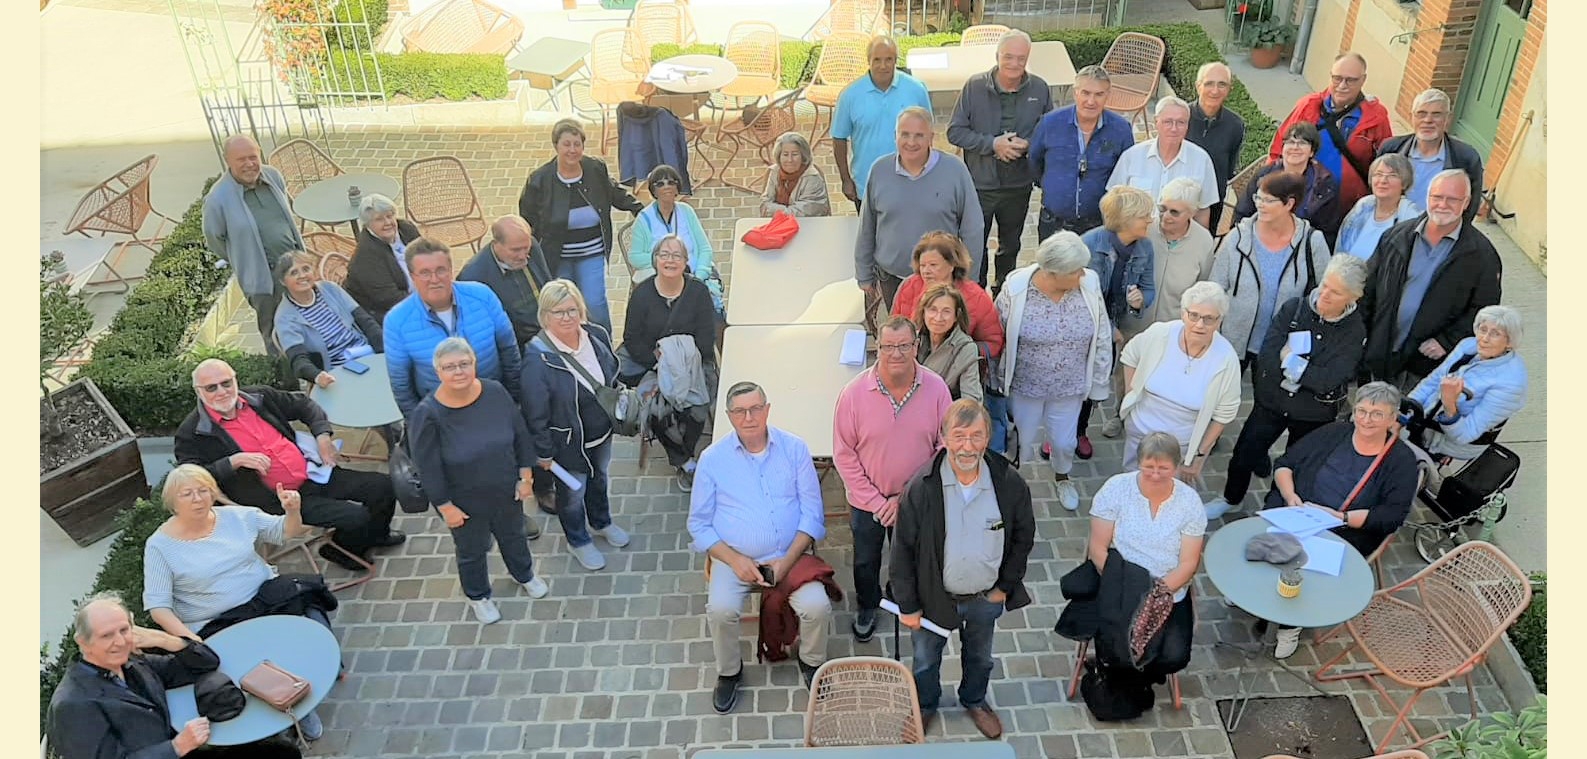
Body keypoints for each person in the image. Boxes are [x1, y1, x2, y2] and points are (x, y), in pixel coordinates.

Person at [141, 465, 328, 741]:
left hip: (261, 599)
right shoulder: (159, 546)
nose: (197, 499)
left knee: (305, 602)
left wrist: (292, 511)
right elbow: (158, 607)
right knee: (243, 660)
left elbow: (284, 532)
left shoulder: (237, 517)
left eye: (203, 490)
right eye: (187, 494)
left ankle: (298, 697)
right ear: (172, 503)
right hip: (214, 620)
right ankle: (279, 714)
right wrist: (190, 641)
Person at [175, 358, 402, 572]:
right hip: (279, 500)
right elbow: (189, 478)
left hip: (313, 473)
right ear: (198, 391)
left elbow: (304, 404)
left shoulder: (259, 397)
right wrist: (232, 462)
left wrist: (322, 436)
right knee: (356, 517)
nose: (222, 391)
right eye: (211, 388)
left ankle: (375, 535)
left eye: (226, 383)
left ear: (235, 380)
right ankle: (340, 550)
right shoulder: (192, 432)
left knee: (384, 486)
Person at [892, 399, 1035, 740]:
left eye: (976, 436)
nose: (967, 447)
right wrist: (908, 605)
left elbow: (1023, 537)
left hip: (986, 596)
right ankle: (925, 705)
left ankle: (974, 700)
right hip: (933, 598)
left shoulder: (1008, 483)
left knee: (981, 657)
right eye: (959, 436)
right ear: (944, 438)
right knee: (925, 659)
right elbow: (902, 550)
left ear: (988, 438)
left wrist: (1004, 587)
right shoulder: (921, 488)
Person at [690, 382, 832, 712]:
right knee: (721, 610)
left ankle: (812, 661)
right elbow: (699, 524)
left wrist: (787, 561)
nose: (749, 417)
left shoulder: (794, 449)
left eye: (755, 409)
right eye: (740, 411)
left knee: (818, 607)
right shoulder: (712, 459)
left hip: (790, 554)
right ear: (729, 416)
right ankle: (729, 671)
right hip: (733, 558)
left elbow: (812, 514)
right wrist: (734, 560)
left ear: (767, 410)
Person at [1206, 255, 1370, 519]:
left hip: (1312, 414)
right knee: (1245, 453)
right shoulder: (1295, 308)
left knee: (1295, 466)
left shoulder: (1354, 331)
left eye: (1336, 292)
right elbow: (1269, 355)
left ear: (1353, 298)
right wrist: (1305, 371)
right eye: (1325, 285)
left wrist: (1293, 363)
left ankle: (1275, 510)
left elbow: (1330, 379)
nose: (1325, 294)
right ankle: (1231, 498)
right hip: (1272, 402)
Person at [1263, 381, 1419, 658]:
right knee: (1268, 537)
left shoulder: (1401, 460)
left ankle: (1290, 623)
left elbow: (1392, 516)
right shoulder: (1334, 432)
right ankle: (1256, 591)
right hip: (1299, 511)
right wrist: (1290, 497)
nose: (1366, 420)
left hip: (1346, 528)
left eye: (1377, 414)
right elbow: (1285, 463)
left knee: (1310, 563)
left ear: (1392, 419)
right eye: (1361, 411)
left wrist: (1341, 517)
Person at [46, 592, 303, 759]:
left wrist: (165, 639)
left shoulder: (131, 663)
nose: (120, 642)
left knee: (281, 752)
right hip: (171, 751)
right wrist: (177, 747)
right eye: (107, 635)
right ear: (83, 642)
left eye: (124, 630)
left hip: (179, 749)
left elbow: (206, 664)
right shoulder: (73, 704)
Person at [410, 338, 550, 624]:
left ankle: (524, 574)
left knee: (514, 536)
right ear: (438, 372)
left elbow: (520, 433)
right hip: (463, 501)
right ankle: (478, 596)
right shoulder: (428, 414)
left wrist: (525, 476)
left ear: (474, 363)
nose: (458, 371)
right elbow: (427, 467)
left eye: (464, 363)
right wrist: (445, 506)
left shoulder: (495, 391)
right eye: (450, 367)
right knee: (471, 551)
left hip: (505, 488)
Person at [833, 316, 952, 644]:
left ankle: (901, 596)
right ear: (878, 348)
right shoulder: (853, 394)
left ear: (916, 346)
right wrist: (877, 502)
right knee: (865, 559)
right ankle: (868, 605)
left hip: (917, 500)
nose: (896, 353)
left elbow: (944, 448)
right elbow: (844, 454)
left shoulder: (937, 389)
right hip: (867, 503)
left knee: (912, 555)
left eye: (903, 346)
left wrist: (904, 499)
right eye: (888, 346)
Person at [995, 232, 1112, 511]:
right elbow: (997, 333)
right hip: (1026, 386)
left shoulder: (1089, 283)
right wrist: (997, 382)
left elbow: (1102, 334)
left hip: (1069, 385)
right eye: (1075, 270)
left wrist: (1099, 382)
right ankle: (1011, 486)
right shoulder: (1016, 288)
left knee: (1063, 442)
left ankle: (1062, 476)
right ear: (1053, 272)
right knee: (1021, 443)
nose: (1082, 274)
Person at [522, 279, 631, 571]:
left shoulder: (596, 334)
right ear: (545, 315)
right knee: (572, 495)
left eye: (571, 309)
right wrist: (544, 452)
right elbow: (535, 413)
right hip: (567, 445)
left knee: (600, 479)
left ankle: (601, 522)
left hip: (601, 433)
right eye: (558, 312)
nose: (567, 317)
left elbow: (611, 375)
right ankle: (578, 540)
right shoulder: (537, 358)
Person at [1085, 431, 1205, 692]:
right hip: (1121, 584)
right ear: (1138, 462)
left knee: (1175, 657)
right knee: (1118, 646)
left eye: (1164, 468)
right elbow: (1097, 549)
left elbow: (1188, 563)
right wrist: (1130, 588)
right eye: (1149, 467)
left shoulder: (1189, 503)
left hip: (1168, 590)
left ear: (1176, 466)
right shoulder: (1116, 489)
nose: (1155, 474)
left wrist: (1156, 593)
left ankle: (1138, 681)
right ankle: (1127, 682)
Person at [1359, 169, 1502, 384]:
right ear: (1427, 197)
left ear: (1466, 203)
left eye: (1452, 199)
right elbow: (1367, 289)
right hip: (1381, 353)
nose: (1442, 204)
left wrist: (1447, 340)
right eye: (1437, 197)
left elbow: (1485, 311)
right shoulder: (1396, 237)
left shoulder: (1482, 256)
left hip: (1425, 367)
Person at [946, 29, 1053, 287]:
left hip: (1018, 185)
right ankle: (976, 293)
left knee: (1011, 246)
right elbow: (955, 131)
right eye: (1008, 57)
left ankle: (1004, 292)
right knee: (974, 246)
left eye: (1021, 58)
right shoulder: (974, 87)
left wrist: (1029, 145)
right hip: (980, 185)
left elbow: (1049, 132)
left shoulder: (1040, 88)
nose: (1014, 64)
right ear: (997, 56)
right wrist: (993, 144)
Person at [518, 118, 644, 332]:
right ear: (556, 146)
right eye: (566, 144)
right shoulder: (539, 180)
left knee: (595, 304)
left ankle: (603, 343)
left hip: (591, 252)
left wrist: (638, 208)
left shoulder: (595, 168)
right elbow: (527, 218)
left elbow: (613, 192)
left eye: (577, 144)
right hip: (557, 256)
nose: (572, 150)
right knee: (564, 305)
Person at [856, 107, 985, 308]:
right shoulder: (879, 170)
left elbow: (973, 228)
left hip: (942, 284)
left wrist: (968, 279)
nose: (911, 142)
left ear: (931, 138)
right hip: (892, 280)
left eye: (919, 135)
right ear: (895, 136)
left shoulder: (955, 171)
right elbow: (867, 226)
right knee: (899, 329)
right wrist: (863, 274)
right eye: (905, 134)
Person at [383, 237, 522, 418]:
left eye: (441, 270)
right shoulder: (397, 321)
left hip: (493, 403)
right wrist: (421, 424)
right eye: (425, 273)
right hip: (442, 417)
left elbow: (509, 351)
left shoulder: (483, 296)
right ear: (412, 276)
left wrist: (513, 402)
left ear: (451, 270)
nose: (434, 279)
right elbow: (401, 387)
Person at [620, 234, 718, 489]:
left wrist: (683, 362)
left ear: (686, 262)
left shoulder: (698, 292)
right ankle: (684, 461)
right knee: (655, 409)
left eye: (677, 255)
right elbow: (631, 338)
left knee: (697, 405)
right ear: (655, 260)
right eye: (664, 254)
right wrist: (658, 361)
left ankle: (686, 448)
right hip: (654, 365)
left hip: (694, 363)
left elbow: (706, 337)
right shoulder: (642, 294)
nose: (670, 260)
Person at [1118, 282, 1242, 480]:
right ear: (1183, 314)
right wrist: (1131, 396)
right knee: (1132, 484)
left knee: (1169, 492)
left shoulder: (1226, 359)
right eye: (1194, 315)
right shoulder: (1160, 334)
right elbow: (1130, 356)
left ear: (1219, 321)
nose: (1200, 324)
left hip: (1181, 447)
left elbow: (1224, 414)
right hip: (1140, 433)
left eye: (1209, 318)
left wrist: (1199, 455)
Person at [1212, 172, 1333, 369]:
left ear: (1289, 203)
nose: (1260, 204)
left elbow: (1325, 291)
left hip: (1283, 347)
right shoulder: (1237, 237)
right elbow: (1215, 287)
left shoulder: (1312, 241)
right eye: (1258, 198)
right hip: (1232, 342)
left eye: (1268, 200)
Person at [201, 134, 304, 356]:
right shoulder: (217, 199)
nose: (249, 164)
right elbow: (215, 240)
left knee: (309, 322)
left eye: (253, 157)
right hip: (263, 281)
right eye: (241, 159)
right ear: (228, 161)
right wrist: (244, 258)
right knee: (275, 336)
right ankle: (284, 376)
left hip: (295, 268)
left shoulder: (273, 176)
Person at [1076, 185, 1158, 453]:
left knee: (1096, 381)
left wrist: (1140, 301)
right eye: (1144, 215)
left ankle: (1080, 431)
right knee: (1077, 379)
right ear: (1126, 219)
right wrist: (1108, 329)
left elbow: (1149, 288)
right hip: (1084, 328)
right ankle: (1061, 432)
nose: (1151, 220)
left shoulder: (1145, 247)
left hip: (1115, 327)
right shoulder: (1087, 246)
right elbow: (1079, 299)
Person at [1405, 305, 1527, 477]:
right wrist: (1405, 412)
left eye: (1495, 334)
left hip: (1451, 441)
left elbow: (1464, 435)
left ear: (1509, 342)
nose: (1484, 338)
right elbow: (1432, 382)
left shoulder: (1511, 383)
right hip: (1425, 418)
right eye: (1482, 329)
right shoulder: (1468, 345)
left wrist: (1449, 404)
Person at [1269, 52, 1392, 213]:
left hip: (1346, 206)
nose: (1342, 85)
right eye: (1337, 78)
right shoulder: (1308, 106)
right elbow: (1278, 148)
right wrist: (1272, 188)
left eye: (1350, 80)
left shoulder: (1375, 117)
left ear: (1363, 80)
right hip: (1300, 199)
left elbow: (1387, 165)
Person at [1028, 65, 1135, 240]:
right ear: (1075, 92)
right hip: (1054, 223)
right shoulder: (1050, 123)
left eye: (1099, 94)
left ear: (1108, 95)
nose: (1091, 101)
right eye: (1085, 93)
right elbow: (1034, 161)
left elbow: (1126, 172)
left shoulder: (1121, 129)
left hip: (1099, 225)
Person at [831, 35, 932, 211]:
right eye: (877, 60)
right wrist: (845, 179)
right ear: (868, 61)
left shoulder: (916, 89)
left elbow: (928, 133)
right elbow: (839, 138)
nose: (883, 66)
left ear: (896, 60)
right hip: (867, 184)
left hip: (911, 182)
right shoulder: (850, 95)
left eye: (888, 59)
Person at [272, 251, 383, 389]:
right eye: (294, 273)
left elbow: (366, 321)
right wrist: (317, 376)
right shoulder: (284, 317)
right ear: (283, 281)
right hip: (336, 370)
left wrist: (386, 348)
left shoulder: (330, 289)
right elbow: (298, 360)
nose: (302, 276)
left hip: (366, 351)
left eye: (306, 269)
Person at [889, 231, 1005, 359]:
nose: (926, 271)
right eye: (922, 265)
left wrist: (963, 351)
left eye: (933, 265)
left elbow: (993, 343)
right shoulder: (909, 286)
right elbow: (893, 329)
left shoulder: (976, 297)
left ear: (952, 265)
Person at [1125, 178, 1216, 342]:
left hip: (1172, 334)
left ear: (1192, 213)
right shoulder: (1144, 230)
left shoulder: (1204, 241)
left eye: (1174, 212)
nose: (1165, 216)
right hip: (1132, 328)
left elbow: (1201, 288)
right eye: (1162, 208)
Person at [1106, 97, 1221, 228]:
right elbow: (1113, 201)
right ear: (1156, 122)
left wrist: (1199, 240)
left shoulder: (1201, 160)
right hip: (1136, 237)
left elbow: (1203, 210)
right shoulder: (1132, 156)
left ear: (1187, 125)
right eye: (1168, 122)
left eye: (1181, 122)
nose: (1174, 128)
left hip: (1178, 238)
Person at [1377, 88, 1484, 222]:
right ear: (1412, 117)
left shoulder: (1466, 158)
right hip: (1391, 224)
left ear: (1448, 119)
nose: (1428, 120)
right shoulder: (1391, 149)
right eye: (1421, 113)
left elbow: (1470, 207)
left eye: (1436, 114)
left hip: (1435, 228)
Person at [628, 164, 723, 315]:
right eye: (660, 183)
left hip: (694, 274)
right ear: (653, 191)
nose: (667, 186)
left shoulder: (687, 211)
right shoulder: (644, 219)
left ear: (677, 188)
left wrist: (699, 277)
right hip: (662, 279)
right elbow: (635, 257)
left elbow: (705, 248)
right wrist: (666, 260)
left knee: (711, 309)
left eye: (671, 182)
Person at [457, 215, 555, 348]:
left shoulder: (531, 246)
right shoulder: (473, 276)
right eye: (515, 250)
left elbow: (548, 285)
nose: (523, 256)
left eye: (526, 248)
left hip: (548, 327)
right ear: (496, 244)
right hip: (517, 342)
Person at [1236, 122, 1342, 240]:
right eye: (1290, 142)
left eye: (1302, 143)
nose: (1295, 147)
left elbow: (1327, 231)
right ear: (1282, 148)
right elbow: (1242, 212)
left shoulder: (1324, 184)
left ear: (1312, 152)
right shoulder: (1264, 175)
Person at [343, 193, 422, 323]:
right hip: (385, 311)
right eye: (379, 219)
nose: (388, 223)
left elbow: (427, 255)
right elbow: (390, 298)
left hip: (418, 294)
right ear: (368, 225)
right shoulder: (365, 259)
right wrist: (427, 300)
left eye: (390, 216)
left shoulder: (406, 228)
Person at [1187, 62, 1245, 233]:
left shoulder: (1235, 125)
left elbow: (1228, 168)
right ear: (1198, 86)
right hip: (1178, 197)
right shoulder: (1182, 117)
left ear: (1229, 89)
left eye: (1222, 84)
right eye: (1209, 83)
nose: (1215, 90)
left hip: (1212, 200)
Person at [1335, 154, 1420, 260]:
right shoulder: (1363, 207)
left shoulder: (1411, 218)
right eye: (1378, 174)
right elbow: (1340, 250)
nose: (1383, 180)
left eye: (1392, 175)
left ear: (1404, 183)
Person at [914, 283, 983, 402]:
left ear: (956, 315)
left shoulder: (965, 348)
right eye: (932, 310)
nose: (938, 318)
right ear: (923, 312)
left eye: (946, 311)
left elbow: (971, 399)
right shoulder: (912, 339)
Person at [759, 131, 832, 218]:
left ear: (803, 156)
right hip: (778, 224)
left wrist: (775, 210)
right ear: (779, 156)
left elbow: (804, 213)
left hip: (809, 224)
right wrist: (784, 211)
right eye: (785, 154)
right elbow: (764, 205)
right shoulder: (774, 171)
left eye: (794, 154)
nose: (790, 160)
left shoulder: (812, 177)